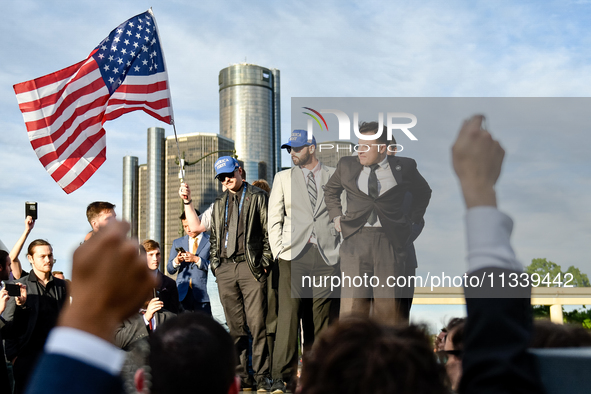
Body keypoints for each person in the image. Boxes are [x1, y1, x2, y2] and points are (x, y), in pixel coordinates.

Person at [324, 121, 432, 324]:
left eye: (366, 146)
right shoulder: (347, 165)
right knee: (352, 316)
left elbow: (424, 192)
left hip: (390, 243)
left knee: (387, 315)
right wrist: (336, 216)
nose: (360, 151)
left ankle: (385, 355)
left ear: (382, 148)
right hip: (355, 241)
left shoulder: (405, 167)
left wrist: (409, 224)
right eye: (359, 145)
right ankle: (353, 355)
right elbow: (330, 190)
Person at [181, 156, 273, 391]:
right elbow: (195, 227)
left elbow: (268, 232)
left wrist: (264, 262)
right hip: (225, 269)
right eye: (222, 177)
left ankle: (263, 376)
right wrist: (188, 202)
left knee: (257, 323)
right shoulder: (219, 203)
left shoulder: (258, 197)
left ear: (240, 171)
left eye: (230, 174)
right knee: (235, 327)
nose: (227, 180)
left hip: (251, 267)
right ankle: (242, 376)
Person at [267, 130, 342, 393]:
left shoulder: (334, 175)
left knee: (320, 319)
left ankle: (315, 378)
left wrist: (339, 246)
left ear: (312, 148)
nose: (292, 153)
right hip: (292, 255)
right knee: (289, 316)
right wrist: (278, 250)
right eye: (289, 149)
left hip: (326, 254)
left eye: (297, 148)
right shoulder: (283, 178)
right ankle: (282, 378)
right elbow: (274, 218)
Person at [3, 240, 68, 394]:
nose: (48, 260)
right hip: (27, 359)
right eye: (42, 256)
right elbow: (8, 324)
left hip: (56, 358)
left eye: (50, 255)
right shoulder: (19, 286)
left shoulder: (63, 286)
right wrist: (14, 358)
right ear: (30, 258)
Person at [167, 211, 211, 314]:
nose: (188, 229)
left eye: (190, 225)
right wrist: (176, 261)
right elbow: (169, 269)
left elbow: (216, 266)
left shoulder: (211, 241)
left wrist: (196, 259)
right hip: (182, 294)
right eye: (185, 226)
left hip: (203, 294)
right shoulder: (177, 242)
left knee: (203, 328)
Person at [143, 240, 180, 314]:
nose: (155, 259)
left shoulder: (170, 283)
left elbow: (174, 313)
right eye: (151, 255)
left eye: (158, 254)